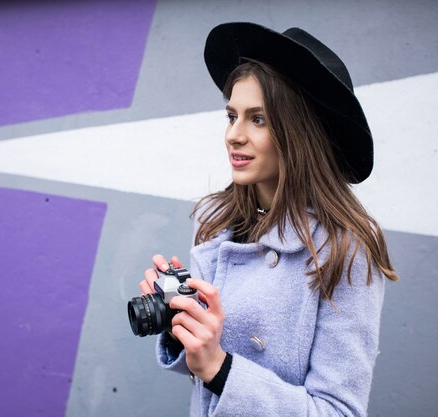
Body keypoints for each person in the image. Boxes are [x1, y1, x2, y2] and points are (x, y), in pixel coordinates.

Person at [139, 22, 398, 417]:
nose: (234, 135)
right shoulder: (214, 219)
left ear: (299, 132)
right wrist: (181, 323)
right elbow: (206, 375)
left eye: (257, 119)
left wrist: (221, 370)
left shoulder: (347, 246)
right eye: (231, 116)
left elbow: (339, 411)